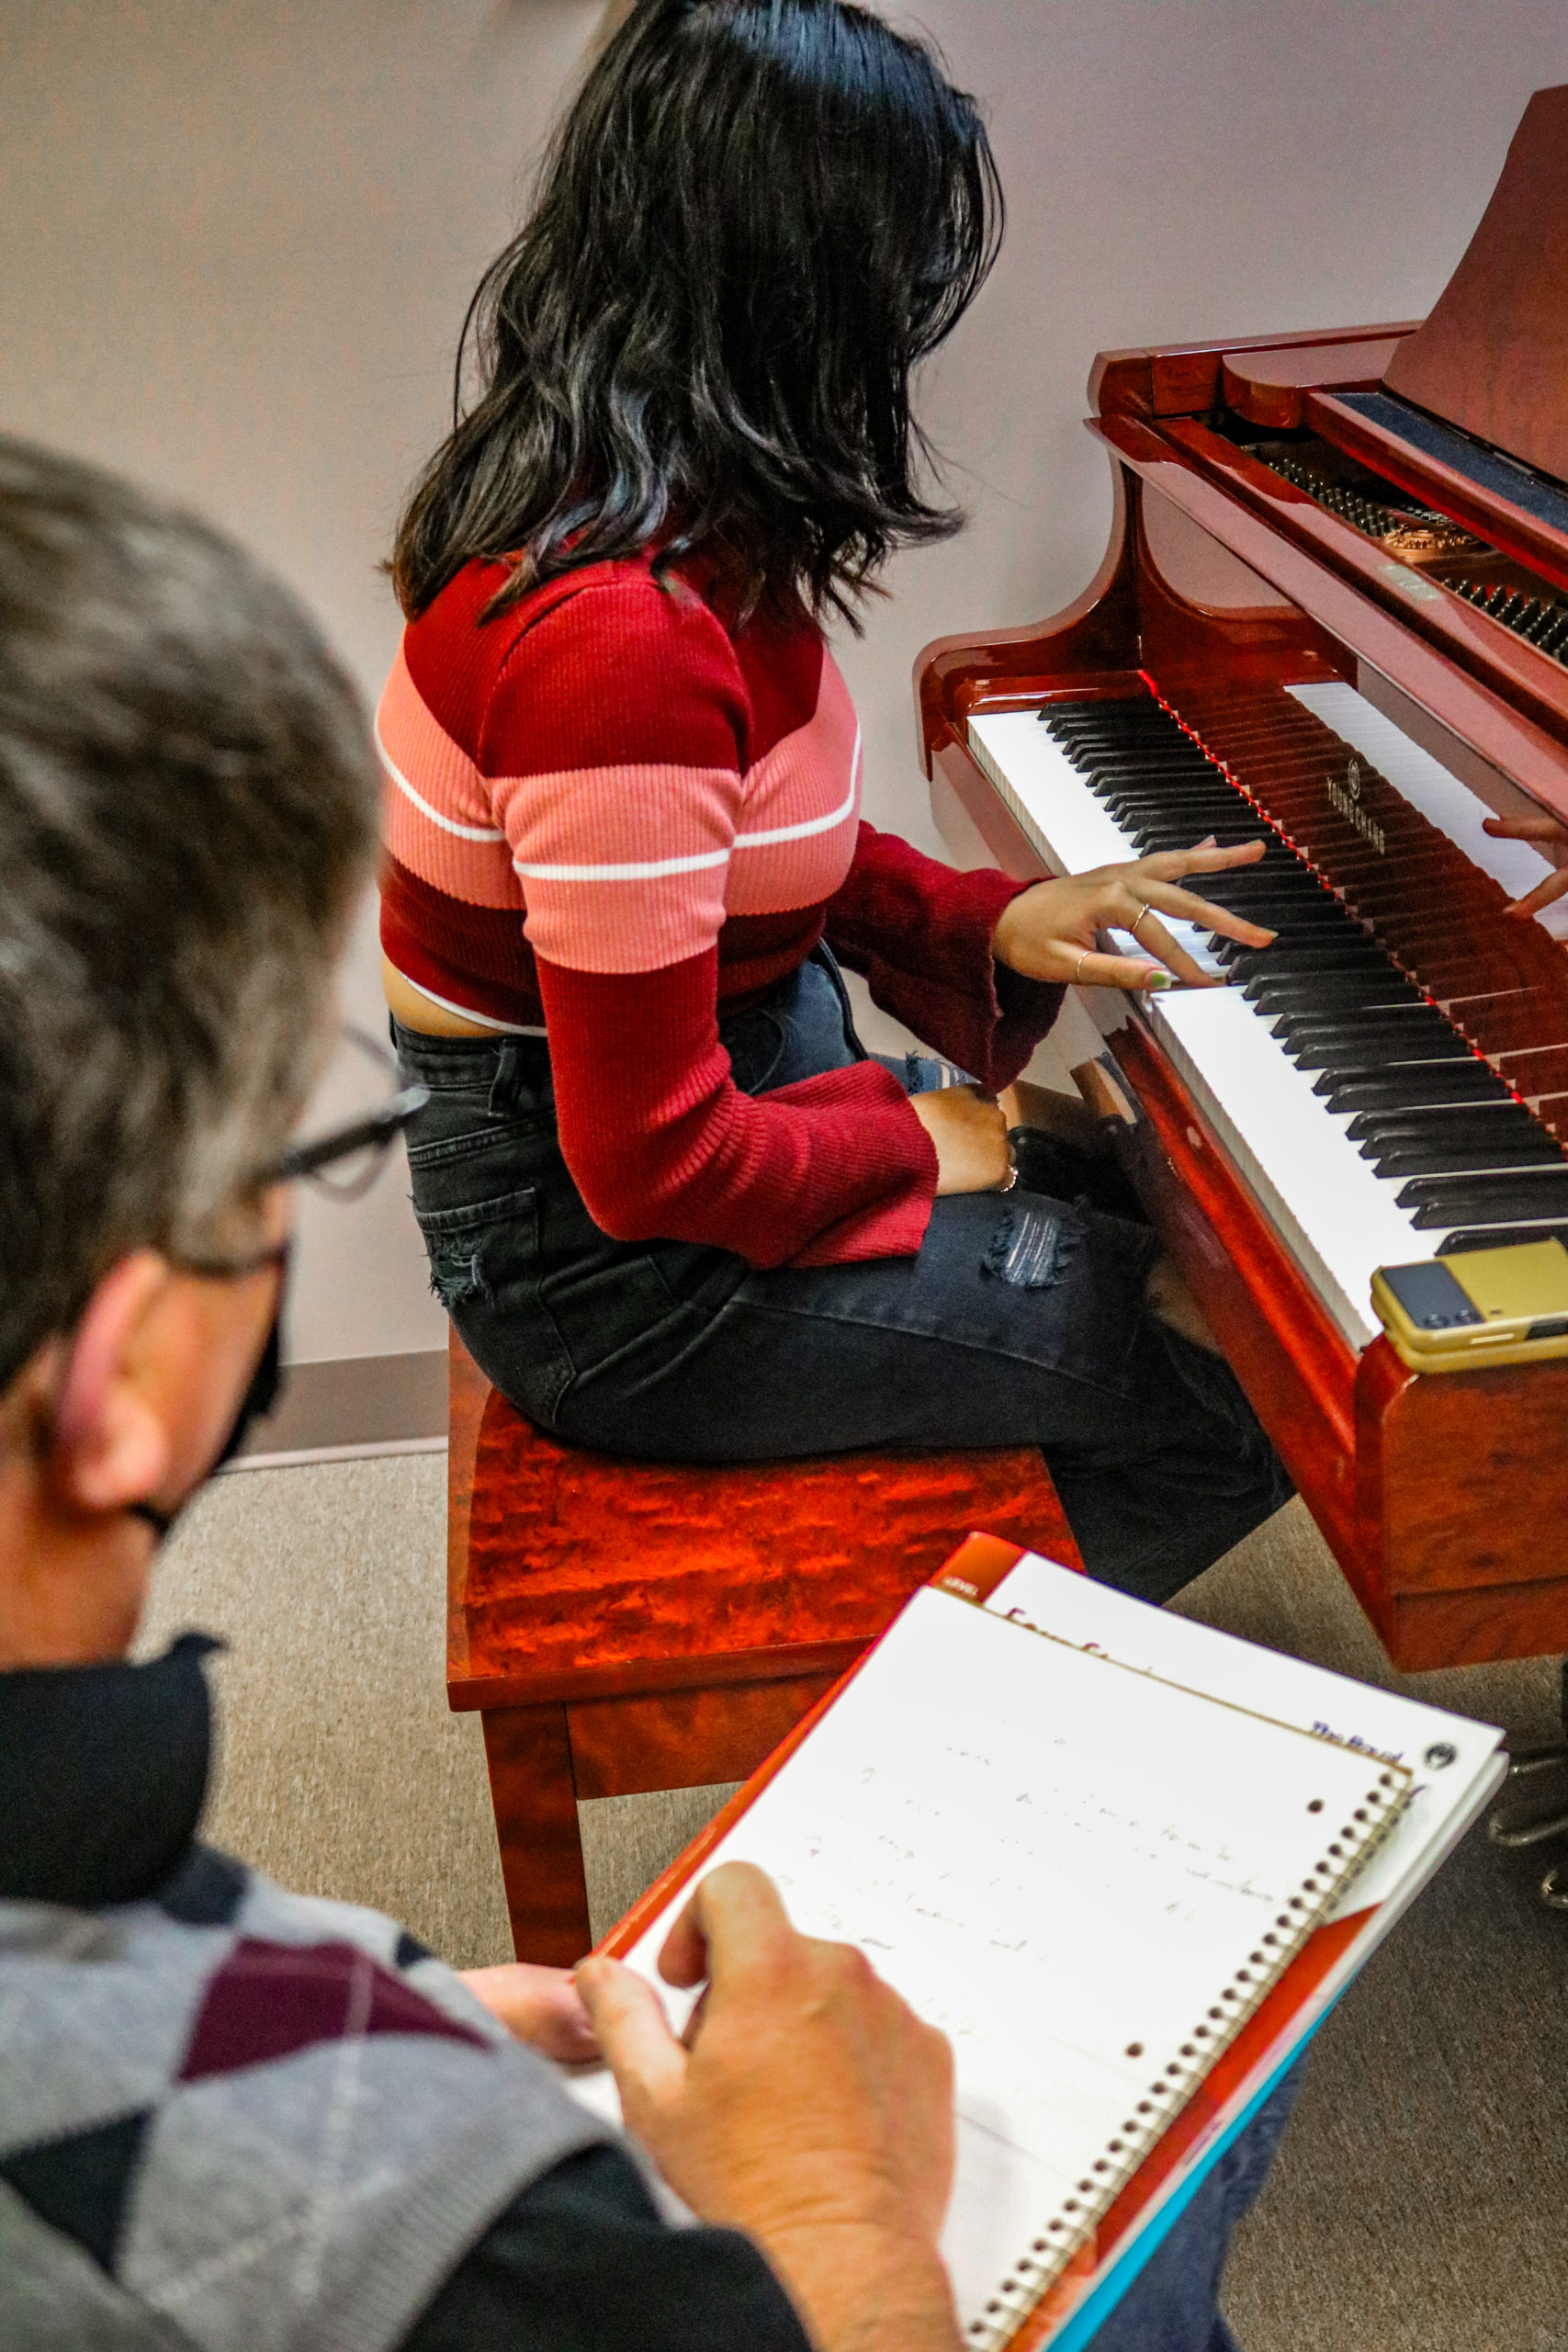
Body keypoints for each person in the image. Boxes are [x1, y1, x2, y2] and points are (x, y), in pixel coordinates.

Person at [0, 437, 1299, 2352]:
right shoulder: (432, 2229)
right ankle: (969, 1690)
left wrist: (386, 2001)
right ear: (122, 1379)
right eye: (305, 1150)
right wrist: (838, 2233)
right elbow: (662, 1162)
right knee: (1213, 2089)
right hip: (639, 1277)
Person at [378, 0, 1292, 1605]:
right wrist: (918, 1142)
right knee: (1240, 1383)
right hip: (606, 1265)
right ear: (786, 291)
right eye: (891, 289)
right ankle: (921, 1706)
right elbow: (654, 1165)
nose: (907, 335)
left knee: (1182, 1223)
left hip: (699, 1090)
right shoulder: (616, 646)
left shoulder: (662, 513)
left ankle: (965, 1540)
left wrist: (984, 915)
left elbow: (715, 854)